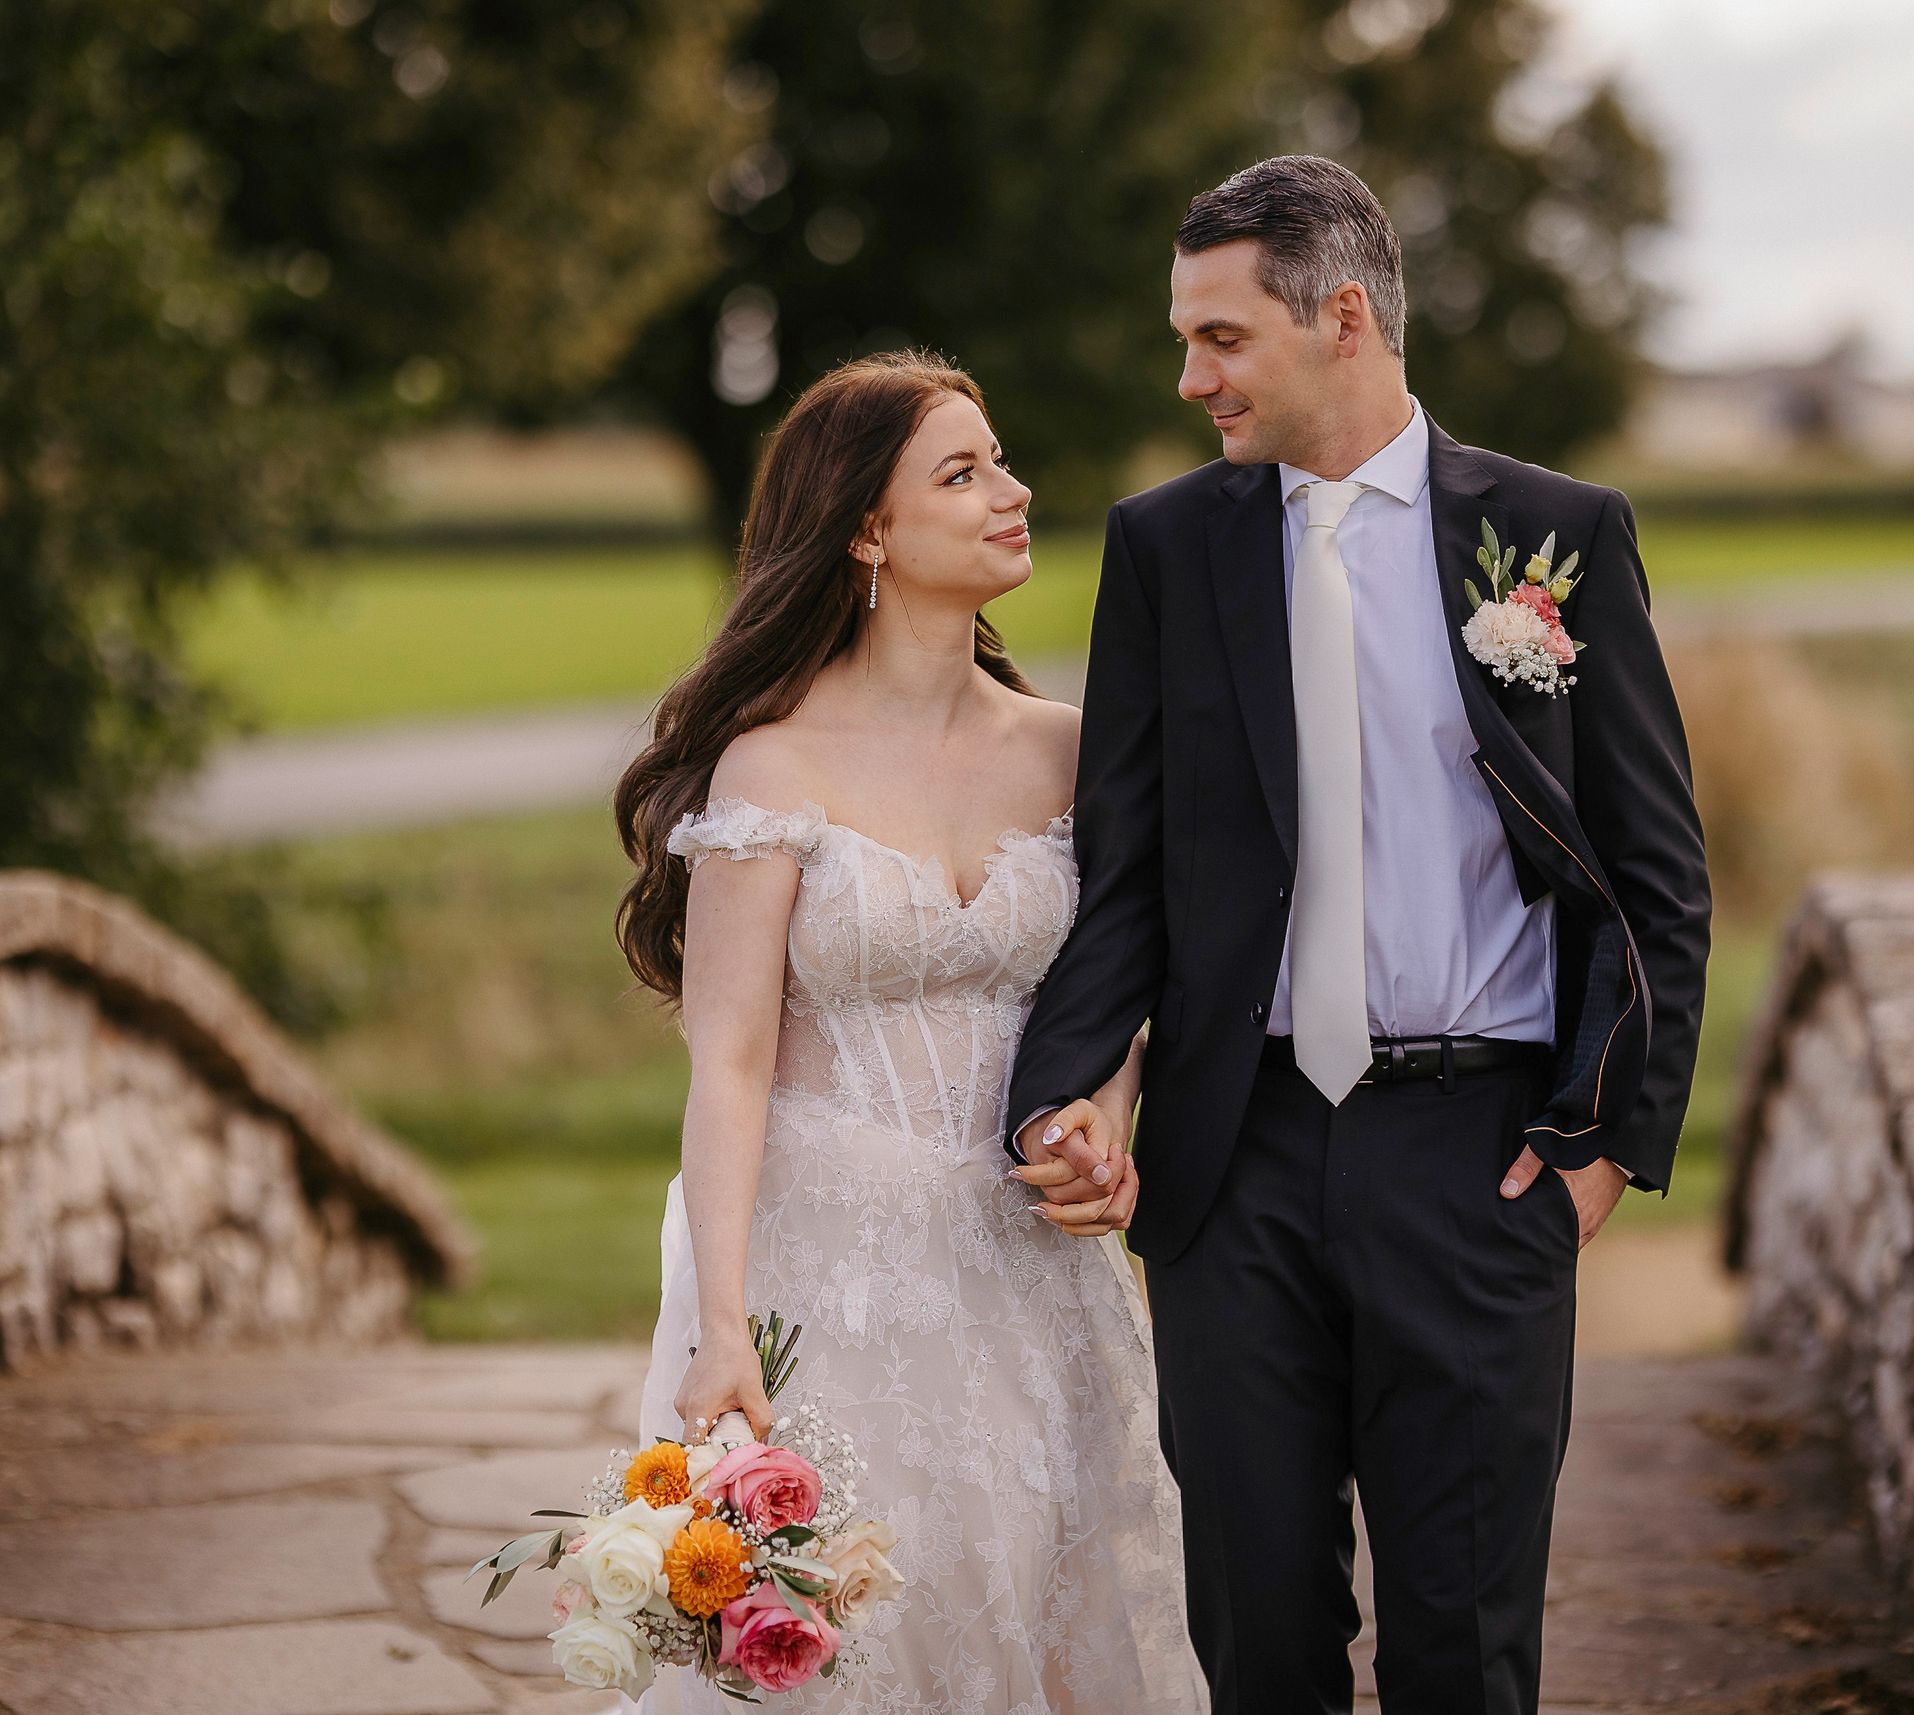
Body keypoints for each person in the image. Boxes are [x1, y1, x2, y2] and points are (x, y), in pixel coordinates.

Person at [1005, 156, 1713, 1715]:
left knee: (1463, 1647)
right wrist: (1062, 1091)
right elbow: (1126, 873)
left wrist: (1598, 1151)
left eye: (1220, 338)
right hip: (1231, 1160)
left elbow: (1654, 875)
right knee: (1257, 1640)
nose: (1189, 377)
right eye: (1183, 339)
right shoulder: (1168, 548)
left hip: (1479, 1156)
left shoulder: (1552, 535)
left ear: (1342, 316)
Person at [611, 350, 1204, 1713]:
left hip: (1033, 1265)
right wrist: (718, 1327)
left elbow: (1117, 991)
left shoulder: (1073, 749)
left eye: (1000, 460)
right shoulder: (775, 765)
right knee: (859, 1632)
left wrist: (1103, 1115)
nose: (1014, 491)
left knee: (1044, 1601)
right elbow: (733, 1063)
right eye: (964, 471)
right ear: (866, 531)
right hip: (829, 1275)